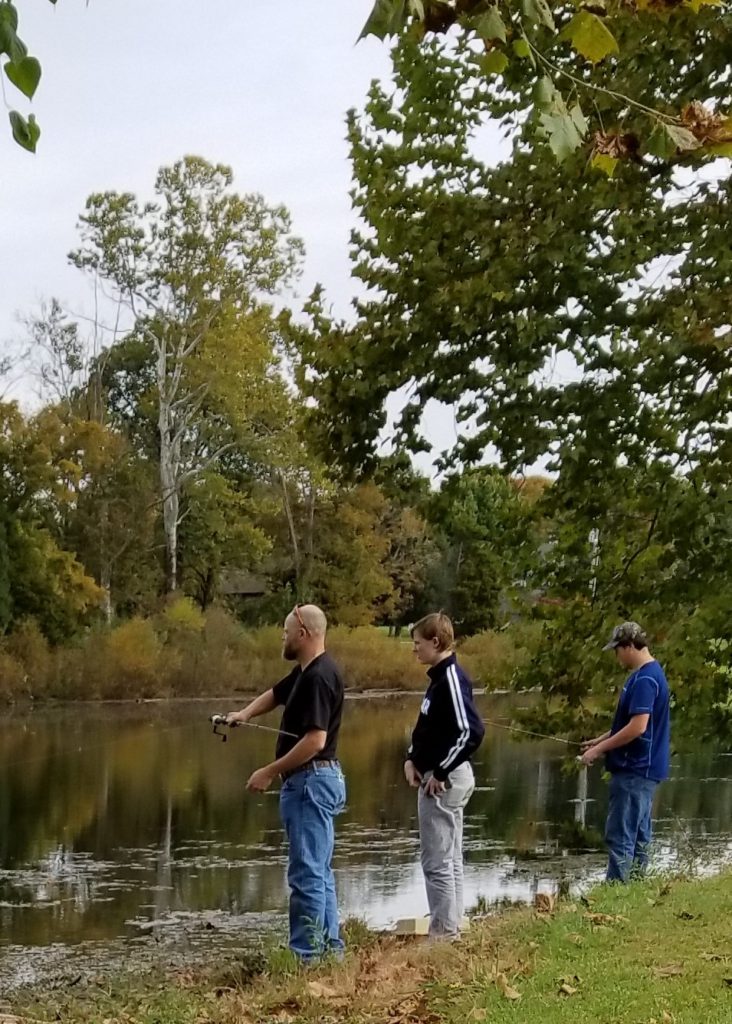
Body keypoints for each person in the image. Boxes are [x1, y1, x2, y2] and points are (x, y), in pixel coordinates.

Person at [225, 604, 346, 961]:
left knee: (307, 874)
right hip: (315, 781)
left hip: (310, 782)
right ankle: (328, 951)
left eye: (285, 631)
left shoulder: (320, 677)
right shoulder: (305, 672)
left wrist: (269, 770)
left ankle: (306, 958)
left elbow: (315, 741)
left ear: (303, 634)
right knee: (318, 872)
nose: (282, 637)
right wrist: (244, 714)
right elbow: (276, 694)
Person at [404, 612, 485, 939]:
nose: (415, 650)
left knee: (437, 861)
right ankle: (450, 928)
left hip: (445, 783)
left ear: (435, 642)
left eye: (417, 644)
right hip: (437, 776)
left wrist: (439, 770)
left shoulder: (450, 678)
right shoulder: (438, 680)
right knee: (448, 858)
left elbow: (471, 732)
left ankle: (444, 934)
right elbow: (428, 728)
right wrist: (412, 758)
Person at [580, 621, 671, 883]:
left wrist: (598, 751)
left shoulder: (644, 679)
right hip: (643, 770)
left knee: (621, 835)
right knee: (640, 835)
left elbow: (637, 728)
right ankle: (636, 889)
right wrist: (596, 741)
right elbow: (628, 725)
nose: (616, 656)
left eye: (617, 650)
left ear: (629, 646)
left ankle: (616, 891)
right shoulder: (650, 673)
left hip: (635, 769)